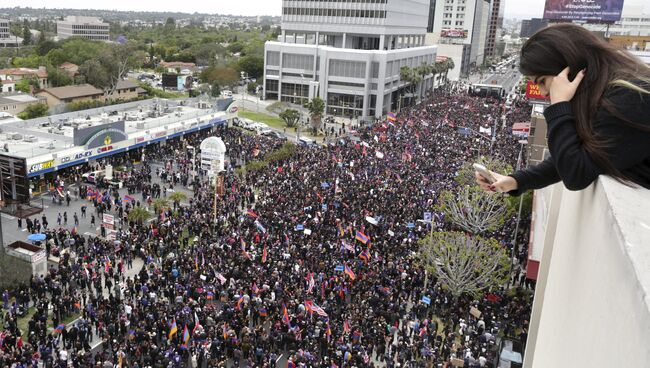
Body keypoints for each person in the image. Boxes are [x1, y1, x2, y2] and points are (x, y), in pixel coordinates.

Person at [476, 24, 650, 194]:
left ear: (570, 68)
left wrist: (559, 106)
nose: (543, 92)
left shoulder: (631, 97)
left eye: (542, 81)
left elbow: (575, 173)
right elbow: (576, 157)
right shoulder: (606, 94)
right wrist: (517, 181)